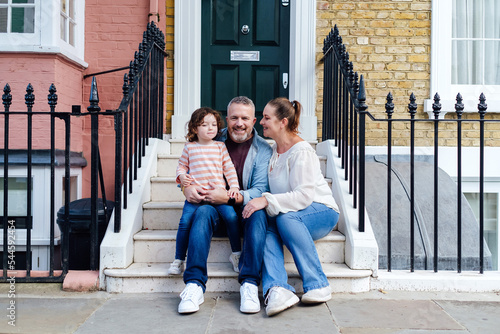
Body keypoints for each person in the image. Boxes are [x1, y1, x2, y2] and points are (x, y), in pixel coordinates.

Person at [242, 97, 340, 317]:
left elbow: (304, 196)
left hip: (321, 211)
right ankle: (277, 289)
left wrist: (266, 200)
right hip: (290, 214)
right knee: (267, 226)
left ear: (283, 122)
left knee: (285, 218)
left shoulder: (301, 151)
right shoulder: (273, 150)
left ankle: (317, 284)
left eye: (267, 118)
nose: (262, 122)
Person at [177, 96, 272, 314]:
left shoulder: (263, 150)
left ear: (254, 121)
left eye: (245, 118)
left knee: (258, 214)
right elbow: (188, 170)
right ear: (226, 119)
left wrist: (229, 198)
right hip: (212, 206)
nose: (240, 123)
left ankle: (248, 283)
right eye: (234, 118)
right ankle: (194, 285)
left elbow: (259, 189)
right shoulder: (208, 138)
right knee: (202, 213)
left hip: (242, 207)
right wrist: (186, 188)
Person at [168, 107, 241, 276]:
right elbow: (181, 166)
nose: (210, 128)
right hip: (196, 196)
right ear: (194, 128)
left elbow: (229, 168)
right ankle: (179, 259)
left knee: (231, 217)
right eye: (204, 125)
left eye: (214, 125)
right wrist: (182, 177)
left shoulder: (220, 146)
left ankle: (236, 254)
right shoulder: (190, 147)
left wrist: (234, 187)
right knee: (185, 222)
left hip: (219, 194)